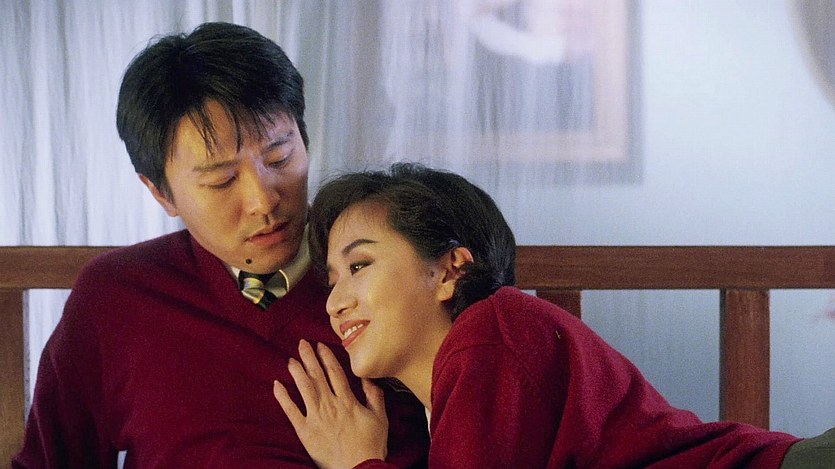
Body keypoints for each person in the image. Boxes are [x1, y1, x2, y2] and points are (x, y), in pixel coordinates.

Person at [12, 23, 429, 468]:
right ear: (160, 193)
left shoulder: (398, 275)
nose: (263, 201)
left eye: (280, 157)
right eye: (221, 180)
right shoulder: (116, 299)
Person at [273, 162, 834, 468]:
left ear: (449, 270)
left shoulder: (489, 333)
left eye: (360, 265)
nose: (335, 301)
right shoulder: (447, 397)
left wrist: (357, 464)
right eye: (332, 279)